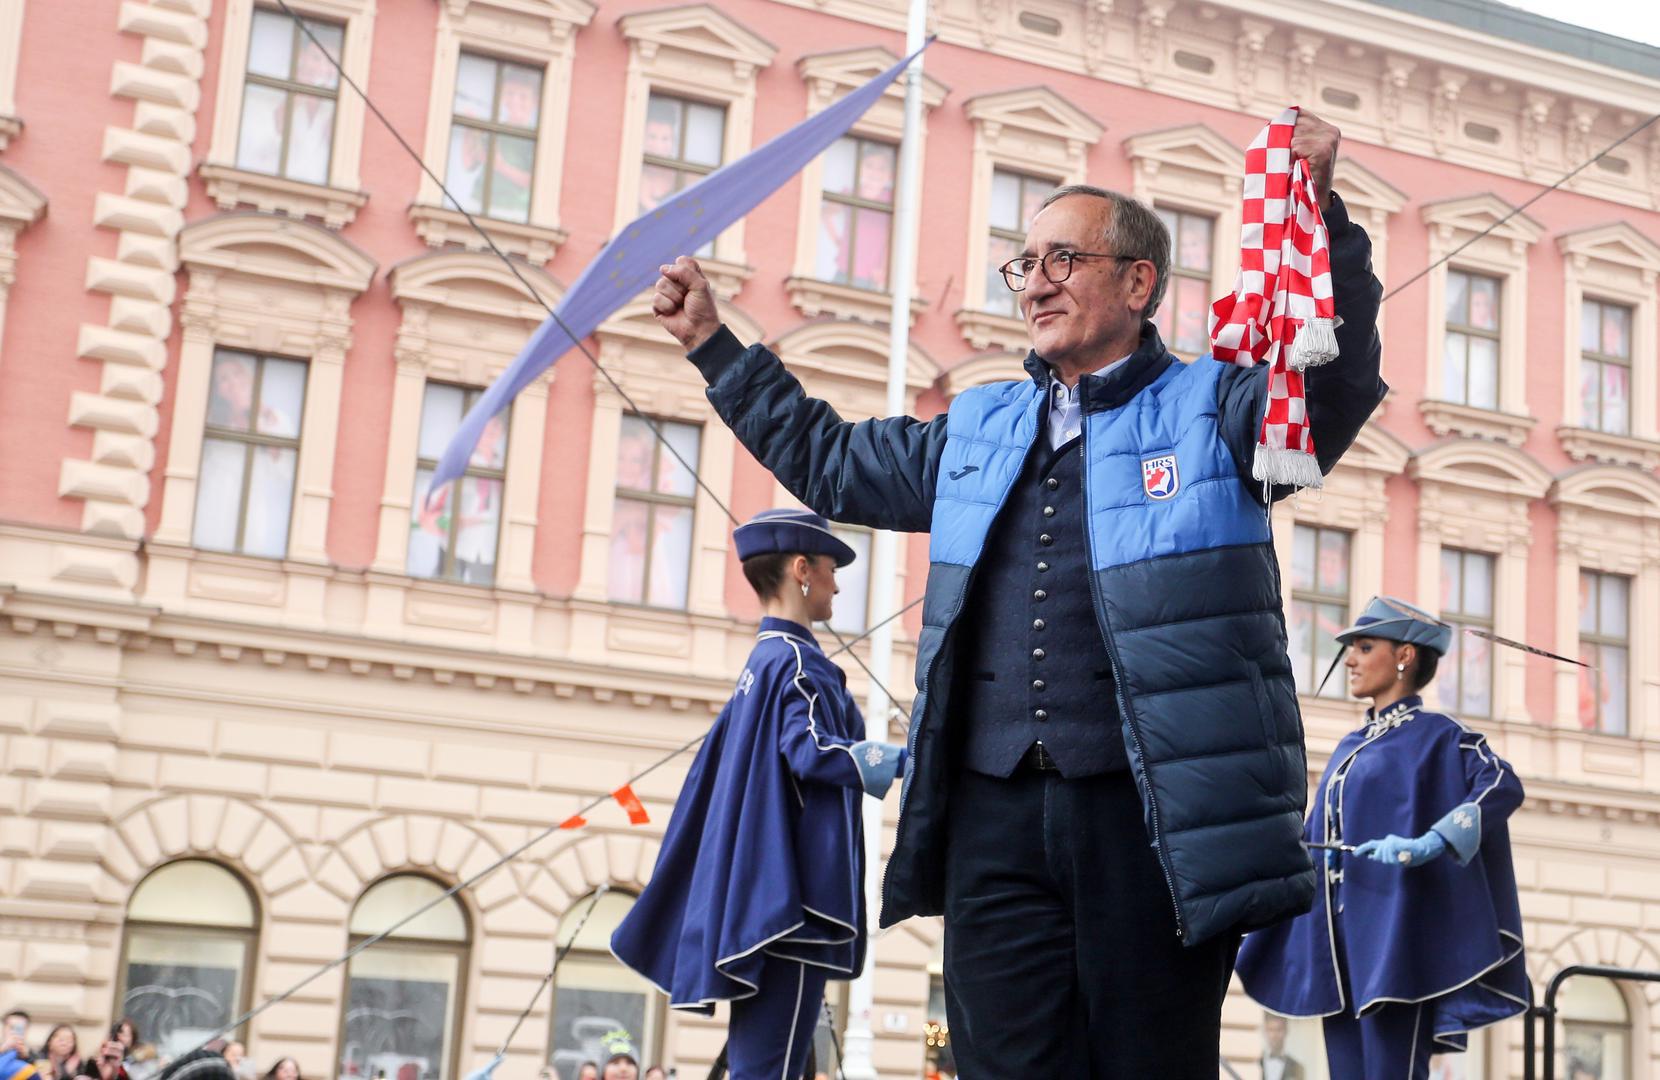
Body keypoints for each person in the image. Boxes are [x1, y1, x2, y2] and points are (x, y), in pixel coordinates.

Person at [647, 112, 1381, 1074]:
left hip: (1153, 819)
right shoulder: (979, 424)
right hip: (990, 819)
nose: (1035, 283)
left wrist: (1321, 219)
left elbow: (1333, 386)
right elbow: (830, 461)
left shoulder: (1216, 408)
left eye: (1063, 260)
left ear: (1139, 283)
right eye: (1024, 264)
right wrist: (714, 346)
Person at [613, 509, 907, 1080]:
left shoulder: (762, 661)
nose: (838, 584)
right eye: (830, 569)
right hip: (795, 902)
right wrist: (905, 763)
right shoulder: (795, 660)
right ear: (802, 570)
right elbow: (809, 750)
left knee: (764, 1066)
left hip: (768, 899)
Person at [1236, 597, 1528, 1079]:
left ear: (1405, 656)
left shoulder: (1438, 734)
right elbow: (1313, 839)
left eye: (1365, 647)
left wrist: (1434, 841)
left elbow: (1501, 783)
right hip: (1336, 946)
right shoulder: (1350, 747)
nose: (1350, 660)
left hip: (1396, 939)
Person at [1259, 1014, 1304, 1080]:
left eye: (1279, 1030)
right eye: (1270, 1029)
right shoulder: (1256, 1063)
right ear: (1264, 1032)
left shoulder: (1297, 1067)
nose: (1274, 1035)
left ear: (1286, 1031)